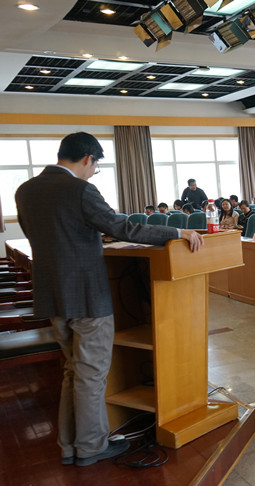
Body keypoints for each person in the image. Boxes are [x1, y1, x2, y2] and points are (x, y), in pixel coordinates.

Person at [15, 132, 203, 467]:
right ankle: (91, 446)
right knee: (91, 373)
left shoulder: (25, 191)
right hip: (87, 296)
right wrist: (179, 232)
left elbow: (46, 237)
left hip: (53, 294)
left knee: (73, 370)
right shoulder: (80, 190)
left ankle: (70, 445)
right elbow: (123, 228)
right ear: (88, 158)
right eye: (95, 167)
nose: (93, 173)